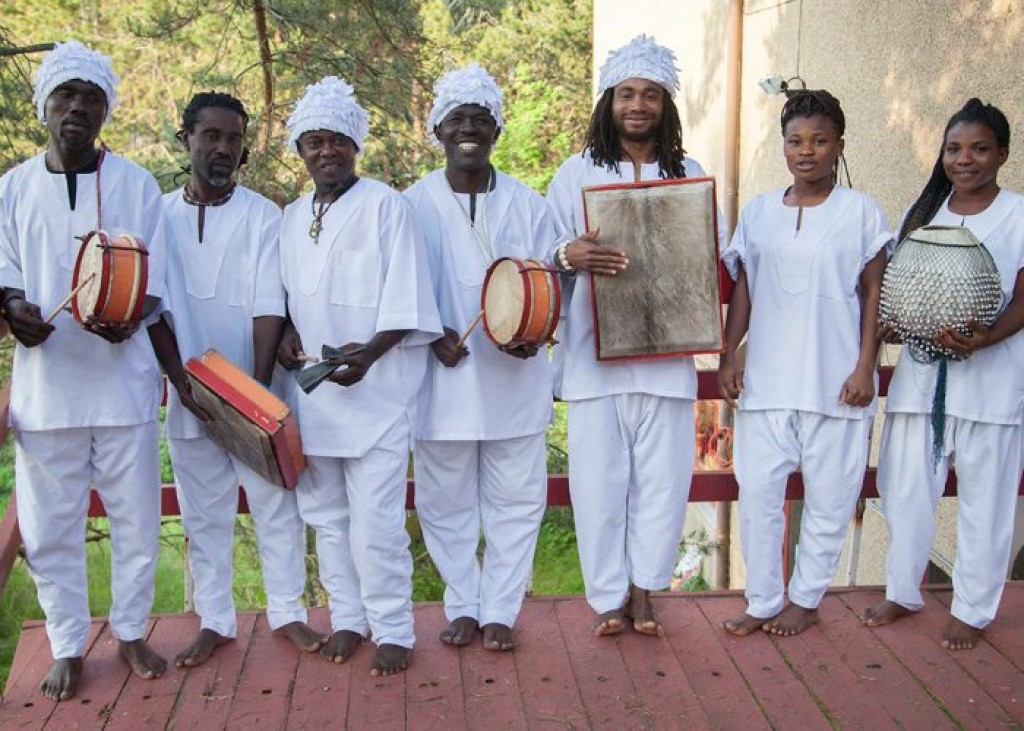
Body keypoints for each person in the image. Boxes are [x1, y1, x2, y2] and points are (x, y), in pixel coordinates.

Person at [0, 41, 168, 699]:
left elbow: (159, 284)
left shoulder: (135, 184)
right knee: (48, 526)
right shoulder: (10, 188)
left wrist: (130, 317)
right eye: (66, 95)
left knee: (136, 520)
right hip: (46, 391)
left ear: (106, 110)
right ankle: (68, 641)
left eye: (91, 98)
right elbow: (4, 278)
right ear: (47, 104)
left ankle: (130, 629)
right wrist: (16, 308)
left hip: (122, 386)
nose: (77, 108)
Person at [546, 35, 724, 636]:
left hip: (668, 362)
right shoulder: (576, 171)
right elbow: (546, 258)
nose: (638, 105)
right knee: (598, 486)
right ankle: (606, 602)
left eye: (650, 94)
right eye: (627, 94)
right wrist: (569, 254)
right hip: (595, 363)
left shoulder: (690, 173)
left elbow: (706, 258)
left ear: (666, 104)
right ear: (609, 101)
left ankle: (646, 592)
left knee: (663, 485)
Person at [146, 92, 321, 668]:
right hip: (191, 396)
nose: (223, 148)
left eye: (234, 140)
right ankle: (216, 621)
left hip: (256, 390)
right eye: (212, 136)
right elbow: (155, 308)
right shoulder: (160, 216)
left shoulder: (262, 215)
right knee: (204, 511)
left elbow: (269, 304)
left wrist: (251, 391)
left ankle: (288, 613)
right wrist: (182, 384)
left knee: (275, 505)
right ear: (186, 140)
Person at [276, 77, 441, 676]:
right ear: (300, 150)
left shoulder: (386, 207)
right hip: (317, 395)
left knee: (376, 521)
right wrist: (289, 333)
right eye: (314, 142)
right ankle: (348, 617)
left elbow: (409, 298)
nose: (327, 152)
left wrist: (369, 355)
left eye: (338, 141)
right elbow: (285, 296)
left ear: (356, 147)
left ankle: (394, 626)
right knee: (326, 519)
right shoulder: (291, 217)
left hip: (377, 392)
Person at [717, 90, 889, 637]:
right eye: (796, 141)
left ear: (839, 145)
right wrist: (728, 353)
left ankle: (807, 597)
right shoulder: (762, 211)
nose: (806, 151)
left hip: (834, 380)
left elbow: (874, 292)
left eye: (819, 140)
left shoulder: (860, 211)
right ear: (783, 146)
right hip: (766, 380)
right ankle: (764, 598)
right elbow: (745, 287)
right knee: (759, 495)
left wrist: (867, 366)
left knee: (831, 495)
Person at [405, 64, 556, 651]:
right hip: (439, 379)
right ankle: (463, 603)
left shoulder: (529, 203)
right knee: (444, 501)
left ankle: (501, 609)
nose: (469, 128)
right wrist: (426, 332)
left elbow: (547, 285)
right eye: (457, 119)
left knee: (517, 500)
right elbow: (398, 286)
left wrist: (534, 334)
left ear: (497, 129)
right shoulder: (410, 203)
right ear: (438, 129)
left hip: (513, 377)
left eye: (481, 118)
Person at [863, 99, 1024, 650]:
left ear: (1002, 153)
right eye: (954, 149)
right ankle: (903, 589)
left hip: (992, 380)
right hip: (922, 377)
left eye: (979, 149)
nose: (965, 159)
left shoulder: (1018, 214)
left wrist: (989, 336)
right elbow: (904, 286)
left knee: (986, 497)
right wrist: (895, 323)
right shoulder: (924, 208)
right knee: (905, 488)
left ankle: (974, 608)